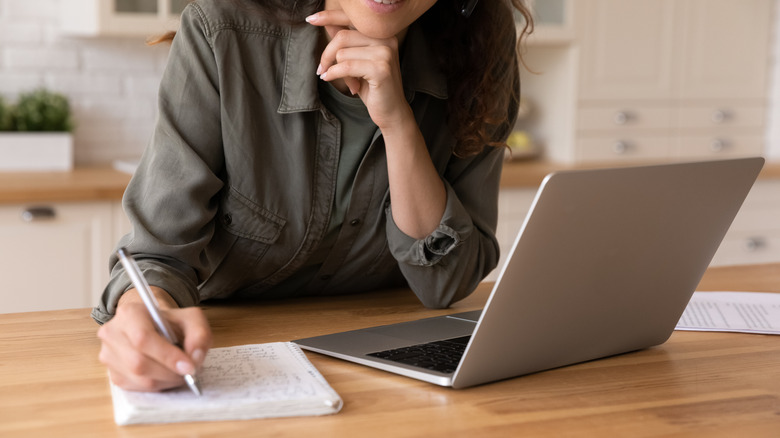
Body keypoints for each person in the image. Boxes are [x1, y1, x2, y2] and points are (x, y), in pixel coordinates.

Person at [94, 0, 533, 392]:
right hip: (233, 358)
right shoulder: (222, 33)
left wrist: (397, 123)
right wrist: (140, 314)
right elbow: (159, 258)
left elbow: (448, 282)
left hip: (389, 373)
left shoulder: (480, 58)